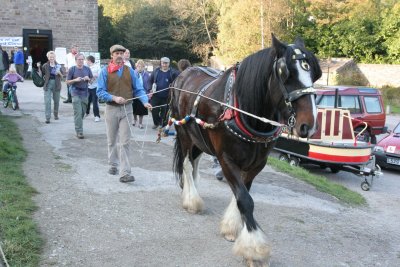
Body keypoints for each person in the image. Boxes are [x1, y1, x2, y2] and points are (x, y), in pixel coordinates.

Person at [97, 44, 152, 183]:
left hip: (127, 109)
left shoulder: (130, 71)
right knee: (111, 140)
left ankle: (125, 172)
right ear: (112, 56)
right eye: (117, 53)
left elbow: (139, 89)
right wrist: (114, 98)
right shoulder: (104, 71)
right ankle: (113, 164)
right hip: (111, 109)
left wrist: (145, 101)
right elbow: (100, 92)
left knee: (125, 141)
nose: (120, 55)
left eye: (122, 53)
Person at [66, 53, 93, 139]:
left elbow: (92, 80)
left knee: (83, 112)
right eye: (79, 59)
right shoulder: (72, 69)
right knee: (78, 112)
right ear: (76, 60)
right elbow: (67, 82)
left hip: (85, 93)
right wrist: (75, 80)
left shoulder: (87, 69)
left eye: (82, 59)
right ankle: (79, 131)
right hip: (75, 92)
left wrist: (88, 79)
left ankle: (78, 123)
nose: (81, 61)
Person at [149, 57, 178, 129]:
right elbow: (150, 81)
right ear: (161, 63)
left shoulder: (173, 72)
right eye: (163, 63)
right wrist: (150, 89)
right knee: (154, 110)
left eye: (166, 63)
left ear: (169, 63)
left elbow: (177, 82)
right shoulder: (156, 71)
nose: (164, 65)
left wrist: (172, 86)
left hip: (167, 96)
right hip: (156, 95)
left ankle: (163, 125)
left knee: (165, 112)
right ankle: (156, 123)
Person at [40, 51, 65, 123]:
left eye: (53, 57)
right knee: (47, 101)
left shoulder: (58, 65)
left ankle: (56, 114)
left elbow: (63, 77)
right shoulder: (45, 65)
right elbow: (42, 75)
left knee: (56, 101)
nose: (51, 58)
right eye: (50, 57)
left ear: (55, 57)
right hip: (47, 84)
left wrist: (59, 73)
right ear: (48, 57)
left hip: (57, 84)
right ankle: (47, 118)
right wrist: (38, 68)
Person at [132, 59, 151, 129]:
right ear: (136, 67)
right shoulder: (133, 73)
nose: (140, 68)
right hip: (134, 94)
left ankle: (140, 123)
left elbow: (148, 84)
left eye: (141, 66)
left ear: (143, 67)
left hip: (143, 94)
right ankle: (134, 119)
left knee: (141, 110)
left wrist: (148, 92)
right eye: (138, 66)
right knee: (134, 108)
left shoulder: (146, 74)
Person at [85, 55, 101, 122]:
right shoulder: (86, 67)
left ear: (89, 61)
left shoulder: (97, 67)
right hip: (88, 86)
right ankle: (86, 113)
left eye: (86, 60)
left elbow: (100, 76)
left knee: (95, 102)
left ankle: (97, 116)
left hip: (95, 87)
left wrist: (95, 76)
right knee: (87, 101)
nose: (86, 61)